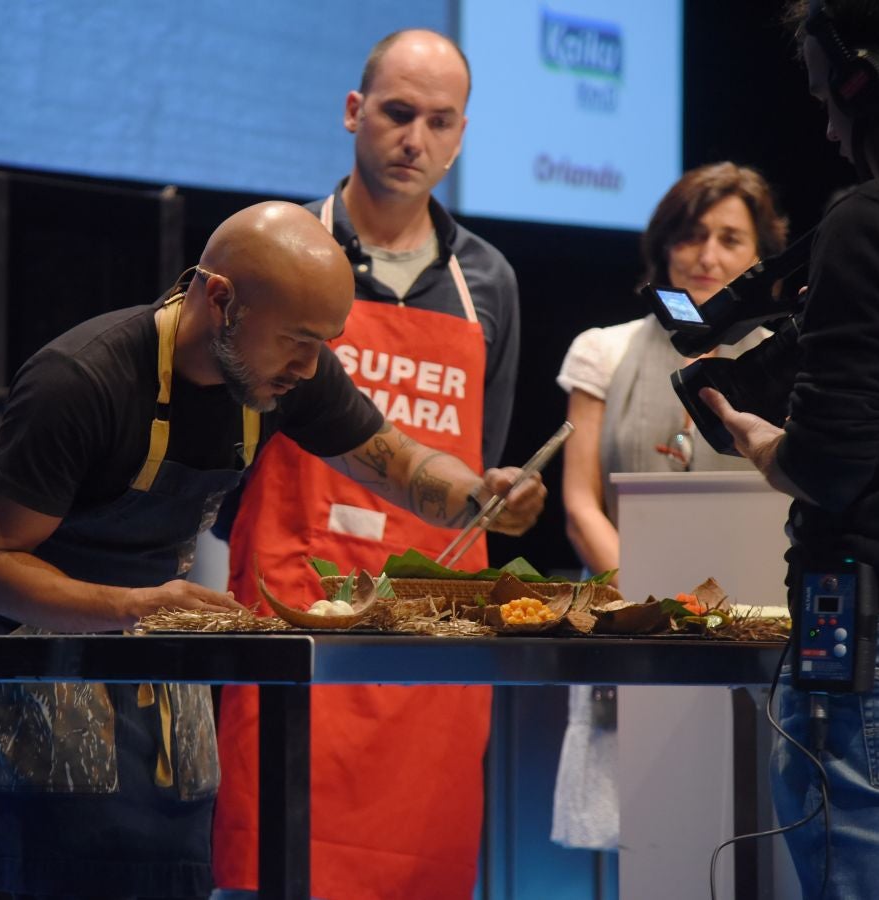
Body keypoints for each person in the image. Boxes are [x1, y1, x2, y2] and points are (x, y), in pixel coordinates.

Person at [0, 200, 545, 899]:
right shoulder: (82, 380)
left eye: (324, 344)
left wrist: (481, 494)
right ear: (220, 300)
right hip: (30, 644)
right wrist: (133, 608)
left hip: (149, 629)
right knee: (71, 862)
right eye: (298, 342)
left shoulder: (287, 376)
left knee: (175, 860)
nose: (310, 369)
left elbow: (397, 462)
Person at [212, 30, 530, 900]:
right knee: (272, 860)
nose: (413, 140)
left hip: (432, 630)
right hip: (289, 603)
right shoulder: (280, 251)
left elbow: (477, 463)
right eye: (396, 113)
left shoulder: (488, 282)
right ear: (355, 113)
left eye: (439, 121)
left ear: (462, 135)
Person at [700, 1, 879, 897]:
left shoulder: (877, 219)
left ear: (870, 78)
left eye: (826, 98)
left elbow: (829, 462)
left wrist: (766, 444)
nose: (830, 128)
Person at [550, 163, 788, 852]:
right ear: (663, 248)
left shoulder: (785, 359)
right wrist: (657, 609)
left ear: (760, 258)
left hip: (757, 625)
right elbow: (578, 505)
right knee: (642, 837)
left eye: (730, 238)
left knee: (754, 835)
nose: (708, 255)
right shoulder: (603, 349)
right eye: (691, 236)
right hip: (631, 620)